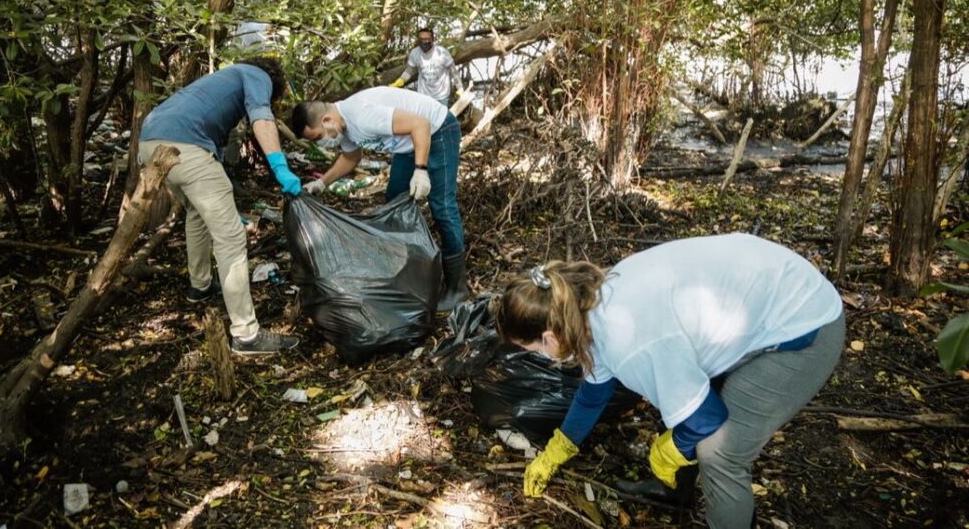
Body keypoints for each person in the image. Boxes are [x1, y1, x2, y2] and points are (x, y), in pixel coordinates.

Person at [493, 233, 845, 529]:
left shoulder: (630, 342)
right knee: (675, 394)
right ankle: (677, 492)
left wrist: (670, 450)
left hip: (805, 327)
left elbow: (707, 419)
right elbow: (593, 393)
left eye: (532, 348)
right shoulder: (585, 304)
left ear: (550, 336)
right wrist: (557, 451)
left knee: (718, 453)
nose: (537, 356)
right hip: (765, 300)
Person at [139, 57, 302, 355]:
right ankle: (247, 334)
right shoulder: (257, 75)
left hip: (150, 143)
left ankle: (199, 286)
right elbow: (261, 118)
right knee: (231, 238)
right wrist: (280, 166)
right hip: (184, 147)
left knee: (196, 214)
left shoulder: (222, 79)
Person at [290, 87, 468, 311]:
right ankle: (410, 272)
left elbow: (420, 124)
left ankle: (457, 287)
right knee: (395, 201)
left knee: (442, 206)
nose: (321, 143)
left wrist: (420, 170)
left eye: (318, 137)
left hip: (437, 130)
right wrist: (322, 182)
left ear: (326, 120)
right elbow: (351, 157)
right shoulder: (342, 127)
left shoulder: (362, 116)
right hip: (409, 143)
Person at [390, 27, 458, 107]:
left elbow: (453, 70)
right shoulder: (415, 53)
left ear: (433, 39)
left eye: (427, 39)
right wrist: (401, 80)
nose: (424, 42)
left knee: (439, 119)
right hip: (423, 95)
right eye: (421, 39)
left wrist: (460, 88)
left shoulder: (442, 52)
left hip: (441, 95)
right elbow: (410, 70)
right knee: (424, 118)